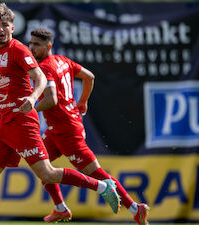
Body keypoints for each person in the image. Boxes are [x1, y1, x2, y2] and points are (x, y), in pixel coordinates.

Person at [0, 3, 121, 225]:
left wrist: (31, 98)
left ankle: (102, 186)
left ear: (12, 28)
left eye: (5, 25)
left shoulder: (19, 49)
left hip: (23, 122)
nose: (1, 29)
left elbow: (39, 79)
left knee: (47, 174)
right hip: (4, 124)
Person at [29, 28, 150, 225]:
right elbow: (90, 77)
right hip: (58, 129)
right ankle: (60, 208)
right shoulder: (62, 60)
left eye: (37, 44)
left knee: (99, 175)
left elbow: (51, 100)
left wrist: (29, 107)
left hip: (67, 131)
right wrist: (83, 102)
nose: (32, 47)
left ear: (48, 46)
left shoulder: (45, 67)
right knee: (40, 164)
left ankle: (136, 208)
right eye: (31, 43)